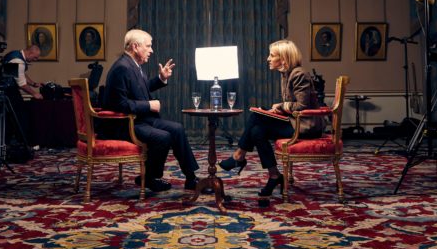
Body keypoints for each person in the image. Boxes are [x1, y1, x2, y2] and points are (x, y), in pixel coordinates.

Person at [219, 39, 323, 205]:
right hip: (294, 122)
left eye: (272, 55)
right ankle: (275, 176)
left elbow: (302, 106)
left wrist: (280, 106)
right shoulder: (286, 74)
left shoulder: (298, 74)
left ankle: (239, 155)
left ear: (284, 58)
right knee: (256, 131)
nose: (268, 58)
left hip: (305, 126)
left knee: (257, 117)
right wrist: (278, 109)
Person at [101, 29, 199, 192]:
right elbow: (119, 104)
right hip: (125, 124)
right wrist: (149, 105)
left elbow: (141, 89)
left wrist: (161, 79)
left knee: (177, 129)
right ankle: (149, 178)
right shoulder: (122, 68)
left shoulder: (133, 64)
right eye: (148, 46)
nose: (151, 50)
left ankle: (191, 178)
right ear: (135, 46)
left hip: (139, 119)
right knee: (163, 137)